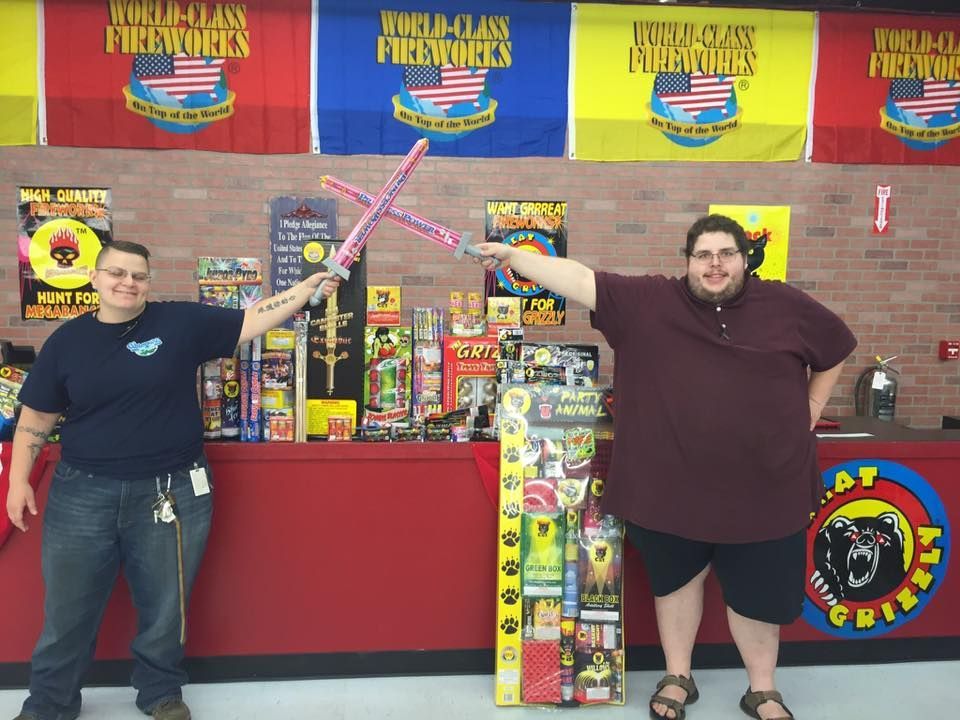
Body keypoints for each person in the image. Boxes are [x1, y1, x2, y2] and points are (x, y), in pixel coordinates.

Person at [477, 215, 857, 720]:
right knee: (676, 584)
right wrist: (516, 257)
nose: (715, 264)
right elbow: (580, 279)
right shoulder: (650, 302)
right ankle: (679, 676)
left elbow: (835, 349)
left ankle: (762, 689)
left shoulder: (787, 305)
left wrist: (810, 408)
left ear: (745, 258)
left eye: (726, 253)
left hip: (767, 489)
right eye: (703, 255)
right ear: (688, 262)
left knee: (760, 598)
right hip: (670, 486)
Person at [5, 240, 340, 720]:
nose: (128, 283)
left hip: (173, 490)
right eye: (117, 273)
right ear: (95, 279)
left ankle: (160, 693)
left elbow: (251, 319)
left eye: (139, 276)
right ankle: (50, 703)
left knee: (166, 605)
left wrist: (303, 290)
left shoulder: (178, 323)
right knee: (67, 611)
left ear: (148, 282)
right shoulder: (67, 341)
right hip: (83, 494)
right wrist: (19, 482)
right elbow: (36, 418)